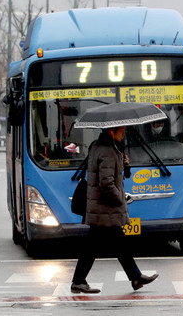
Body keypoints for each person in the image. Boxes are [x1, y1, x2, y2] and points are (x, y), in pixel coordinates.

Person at [71, 126, 158, 294]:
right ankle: (79, 281)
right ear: (111, 132)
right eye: (121, 131)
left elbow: (116, 175)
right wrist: (120, 199)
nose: (124, 133)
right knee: (104, 244)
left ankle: (135, 277)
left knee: (114, 243)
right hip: (105, 208)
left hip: (101, 208)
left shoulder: (97, 146)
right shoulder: (107, 151)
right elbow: (106, 183)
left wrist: (124, 165)